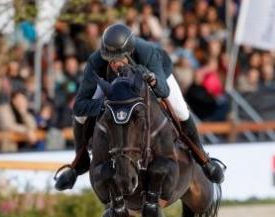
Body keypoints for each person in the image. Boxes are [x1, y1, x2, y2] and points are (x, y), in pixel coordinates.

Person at [55, 23, 225, 190]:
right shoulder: (96, 61)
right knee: (80, 117)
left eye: (118, 58)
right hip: (112, 85)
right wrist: (103, 105)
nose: (114, 64)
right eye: (109, 59)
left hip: (158, 74)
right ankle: (79, 163)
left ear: (129, 53)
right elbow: (79, 106)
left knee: (180, 110)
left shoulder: (147, 52)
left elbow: (164, 91)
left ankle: (203, 158)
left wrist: (151, 79)